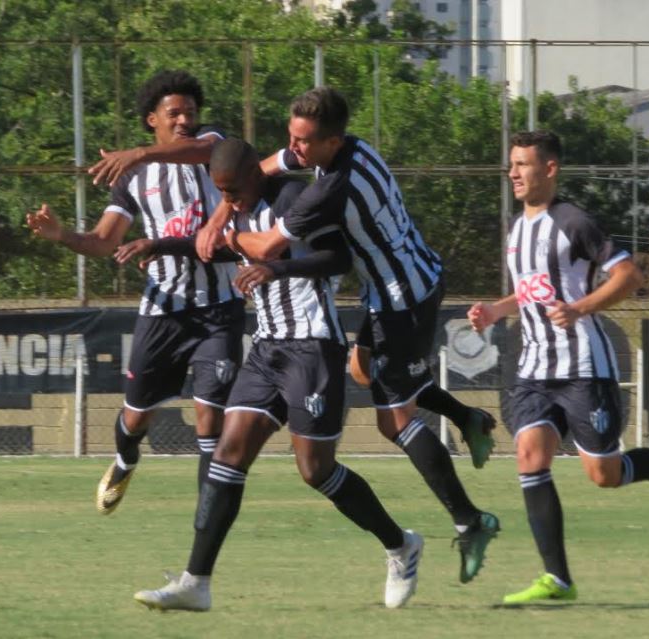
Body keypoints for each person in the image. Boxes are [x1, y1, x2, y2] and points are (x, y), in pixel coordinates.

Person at [195, 87, 499, 584]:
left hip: (403, 297)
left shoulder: (331, 187)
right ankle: (468, 417)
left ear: (331, 142)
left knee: (395, 420)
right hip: (402, 284)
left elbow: (269, 244)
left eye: (303, 142)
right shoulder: (351, 145)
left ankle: (470, 521)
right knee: (364, 369)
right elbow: (267, 165)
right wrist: (222, 209)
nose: (293, 150)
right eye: (291, 136)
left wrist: (223, 237)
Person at [124, 138, 424, 612]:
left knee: (315, 471)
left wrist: (276, 268)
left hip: (313, 346)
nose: (230, 200)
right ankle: (195, 582)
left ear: (254, 176)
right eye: (221, 192)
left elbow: (338, 259)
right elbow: (222, 250)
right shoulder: (234, 207)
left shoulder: (289, 199)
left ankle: (399, 544)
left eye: (235, 190)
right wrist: (161, 244)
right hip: (267, 347)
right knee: (228, 453)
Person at [468, 130, 649, 604]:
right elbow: (533, 290)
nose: (512, 173)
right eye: (510, 164)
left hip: (582, 367)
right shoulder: (516, 229)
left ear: (549, 169)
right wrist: (495, 310)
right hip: (534, 366)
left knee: (604, 474)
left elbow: (629, 275)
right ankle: (557, 579)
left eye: (523, 165)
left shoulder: (574, 222)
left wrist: (581, 308)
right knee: (530, 455)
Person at [26, 70, 244, 514]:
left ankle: (207, 519)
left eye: (191, 112)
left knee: (211, 419)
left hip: (220, 308)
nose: (185, 120)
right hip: (164, 309)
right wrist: (62, 234)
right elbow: (105, 242)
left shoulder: (213, 149)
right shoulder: (135, 178)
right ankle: (126, 459)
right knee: (135, 417)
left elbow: (205, 147)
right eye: (174, 113)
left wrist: (138, 152)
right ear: (153, 119)